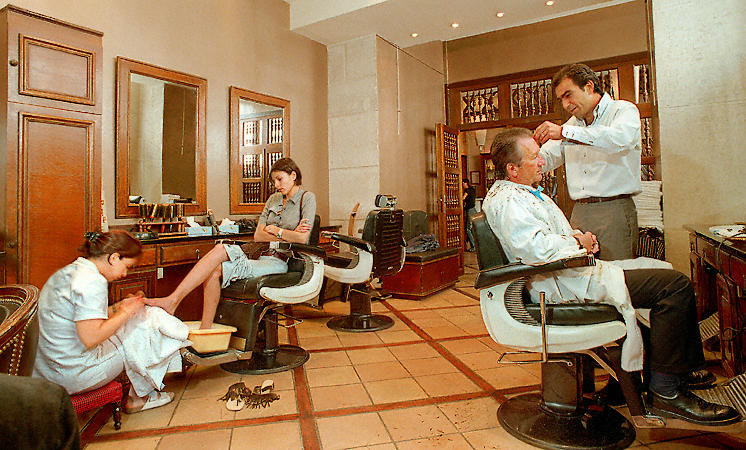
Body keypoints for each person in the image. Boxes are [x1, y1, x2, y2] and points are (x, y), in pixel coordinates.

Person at [481, 127, 740, 426]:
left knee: (661, 272)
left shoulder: (520, 193)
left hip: (567, 275)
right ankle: (668, 392)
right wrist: (580, 244)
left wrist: (579, 237)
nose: (542, 162)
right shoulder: (509, 200)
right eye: (535, 157)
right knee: (675, 286)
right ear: (513, 169)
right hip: (558, 285)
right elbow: (536, 249)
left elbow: (544, 238)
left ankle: (667, 376)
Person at [147, 157, 316, 329]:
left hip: (280, 262)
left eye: (279, 179)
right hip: (260, 255)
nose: (276, 184)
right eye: (273, 180)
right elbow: (258, 235)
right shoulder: (273, 199)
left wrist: (276, 230)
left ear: (293, 175)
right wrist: (289, 234)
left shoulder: (307, 199)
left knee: (219, 257)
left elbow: (302, 239)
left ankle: (173, 301)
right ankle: (204, 328)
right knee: (216, 263)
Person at [33, 230, 188, 414]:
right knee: (143, 327)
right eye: (127, 266)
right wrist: (127, 312)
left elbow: (83, 318)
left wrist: (118, 308)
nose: (124, 274)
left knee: (133, 323)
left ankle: (143, 391)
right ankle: (140, 398)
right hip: (71, 375)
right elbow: (91, 337)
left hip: (48, 370)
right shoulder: (92, 282)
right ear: (114, 258)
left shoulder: (72, 270)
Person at [534, 63, 641, 260]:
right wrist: (526, 155)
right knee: (581, 277)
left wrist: (565, 133)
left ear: (589, 87)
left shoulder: (623, 111)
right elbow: (548, 157)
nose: (566, 105)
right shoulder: (573, 124)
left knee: (617, 277)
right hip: (580, 213)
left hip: (614, 210)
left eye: (569, 95)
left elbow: (619, 139)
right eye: (561, 99)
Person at [462, 178, 477, 251]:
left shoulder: (467, 191)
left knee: (468, 229)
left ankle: (473, 246)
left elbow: (463, 198)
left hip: (469, 210)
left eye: (462, 183)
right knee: (472, 228)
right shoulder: (472, 189)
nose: (462, 185)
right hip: (474, 209)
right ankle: (475, 245)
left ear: (465, 183)